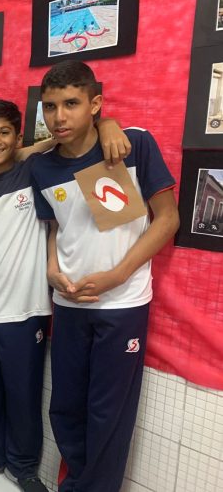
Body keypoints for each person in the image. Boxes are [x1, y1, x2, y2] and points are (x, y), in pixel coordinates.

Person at [0, 99, 128, 492]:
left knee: (24, 394)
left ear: (18, 137)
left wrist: (107, 122)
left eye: (4, 132)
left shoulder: (34, 173)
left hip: (26, 312)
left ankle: (24, 467)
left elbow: (71, 143)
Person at [31, 60, 179, 492]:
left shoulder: (133, 145)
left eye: (71, 104)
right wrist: (52, 269)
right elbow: (55, 227)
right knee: (66, 407)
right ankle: (77, 483)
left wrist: (118, 274)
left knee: (108, 413)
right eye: (50, 106)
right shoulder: (43, 167)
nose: (59, 117)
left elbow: (167, 220)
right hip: (69, 302)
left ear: (95, 104)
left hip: (123, 303)